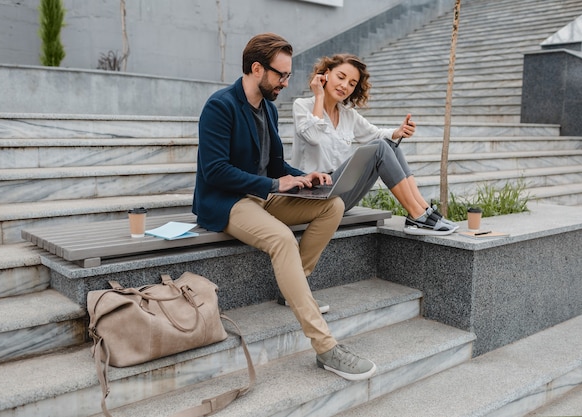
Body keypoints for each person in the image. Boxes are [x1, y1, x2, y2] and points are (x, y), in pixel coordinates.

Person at [192, 34, 376, 381]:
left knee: (332, 205)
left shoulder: (269, 109)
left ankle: (294, 288)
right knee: (282, 239)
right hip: (228, 201)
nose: (286, 83)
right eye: (281, 75)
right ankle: (325, 347)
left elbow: (276, 165)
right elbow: (214, 170)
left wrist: (305, 176)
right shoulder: (220, 106)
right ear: (257, 68)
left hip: (263, 195)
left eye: (289, 76)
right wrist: (275, 185)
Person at [291, 53, 458, 234]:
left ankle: (423, 210)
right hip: (312, 197)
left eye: (352, 84)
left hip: (339, 193)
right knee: (379, 147)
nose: (345, 86)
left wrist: (398, 132)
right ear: (326, 74)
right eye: (341, 77)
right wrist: (319, 96)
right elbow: (313, 136)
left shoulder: (348, 115)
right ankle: (417, 215)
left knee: (390, 145)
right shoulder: (302, 106)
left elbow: (376, 134)